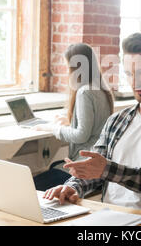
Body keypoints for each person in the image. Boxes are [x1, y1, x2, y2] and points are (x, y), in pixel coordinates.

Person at [42, 33, 141, 215]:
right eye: (128, 73)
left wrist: (107, 169)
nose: (135, 82)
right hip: (107, 214)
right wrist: (73, 186)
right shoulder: (116, 120)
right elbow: (95, 166)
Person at [33, 43, 114, 191]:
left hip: (85, 166)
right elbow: (94, 126)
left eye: (67, 67)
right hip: (97, 163)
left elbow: (81, 135)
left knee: (30, 184)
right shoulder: (100, 88)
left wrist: (53, 128)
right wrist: (70, 122)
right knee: (53, 166)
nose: (67, 72)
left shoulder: (84, 92)